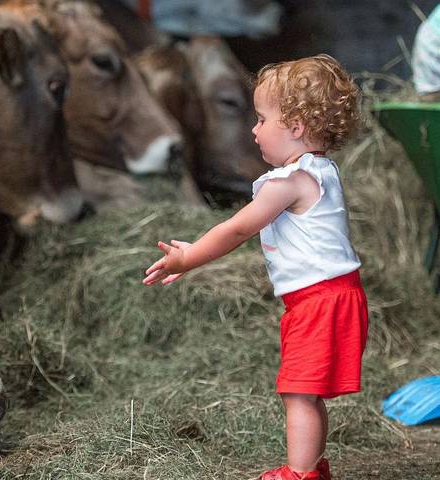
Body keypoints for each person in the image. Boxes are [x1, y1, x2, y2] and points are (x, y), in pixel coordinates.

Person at [142, 54, 367, 480]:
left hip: (320, 302)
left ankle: (298, 474)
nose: (254, 129)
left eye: (262, 119)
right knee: (306, 392)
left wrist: (189, 257)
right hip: (329, 297)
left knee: (298, 392)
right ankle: (312, 469)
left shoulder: (289, 183)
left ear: (296, 127)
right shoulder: (320, 172)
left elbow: (236, 228)